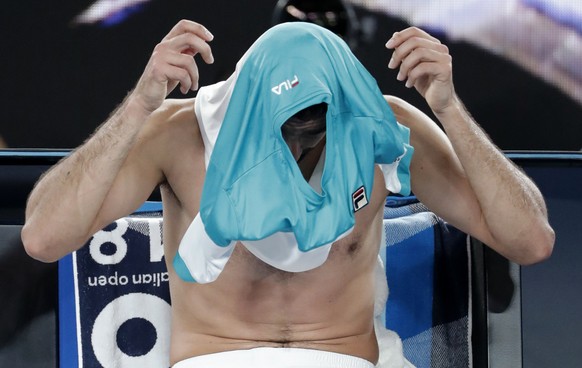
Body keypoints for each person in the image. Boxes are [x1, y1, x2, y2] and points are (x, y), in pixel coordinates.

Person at [21, 20, 554, 367]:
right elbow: (44, 238)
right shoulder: (178, 134)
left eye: (316, 134)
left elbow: (531, 242)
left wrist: (449, 107)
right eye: (284, 133)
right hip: (217, 359)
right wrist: (139, 104)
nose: (300, 152)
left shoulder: (382, 128)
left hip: (345, 358)